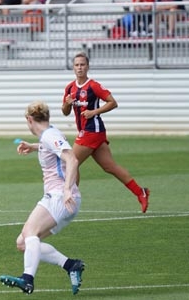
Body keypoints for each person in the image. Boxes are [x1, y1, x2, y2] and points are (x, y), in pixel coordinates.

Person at [0, 100, 85, 295]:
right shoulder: (49, 135)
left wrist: (67, 189)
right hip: (62, 199)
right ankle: (71, 265)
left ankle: (27, 279)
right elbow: (52, 148)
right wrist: (34, 146)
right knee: (23, 242)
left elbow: (72, 159)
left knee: (30, 231)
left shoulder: (50, 135)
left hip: (59, 197)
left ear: (30, 120)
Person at [62, 53, 150, 212]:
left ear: (87, 67)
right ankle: (140, 192)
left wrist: (94, 112)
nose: (80, 68)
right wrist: (67, 104)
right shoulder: (70, 88)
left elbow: (113, 102)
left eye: (82, 65)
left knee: (70, 162)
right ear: (73, 67)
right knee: (110, 167)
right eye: (77, 65)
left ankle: (71, 199)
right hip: (90, 132)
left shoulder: (93, 86)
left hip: (92, 131)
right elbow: (65, 112)